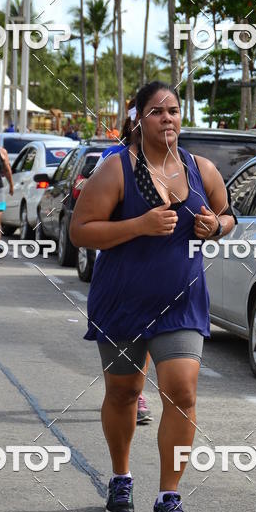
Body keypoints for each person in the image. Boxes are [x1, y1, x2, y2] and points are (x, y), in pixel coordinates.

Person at [70, 81, 235, 512]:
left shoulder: (201, 169)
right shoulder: (116, 170)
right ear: (139, 118)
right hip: (122, 301)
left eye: (174, 111)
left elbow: (228, 216)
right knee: (124, 392)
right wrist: (139, 224)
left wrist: (214, 226)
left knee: (182, 393)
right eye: (157, 111)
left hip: (181, 303)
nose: (168, 118)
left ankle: (169, 496)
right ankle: (121, 479)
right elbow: (80, 232)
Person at [94, 100, 153, 426]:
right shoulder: (111, 160)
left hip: (152, 264)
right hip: (116, 262)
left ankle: (137, 393)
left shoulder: (167, 161)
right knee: (124, 338)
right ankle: (123, 392)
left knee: (144, 335)